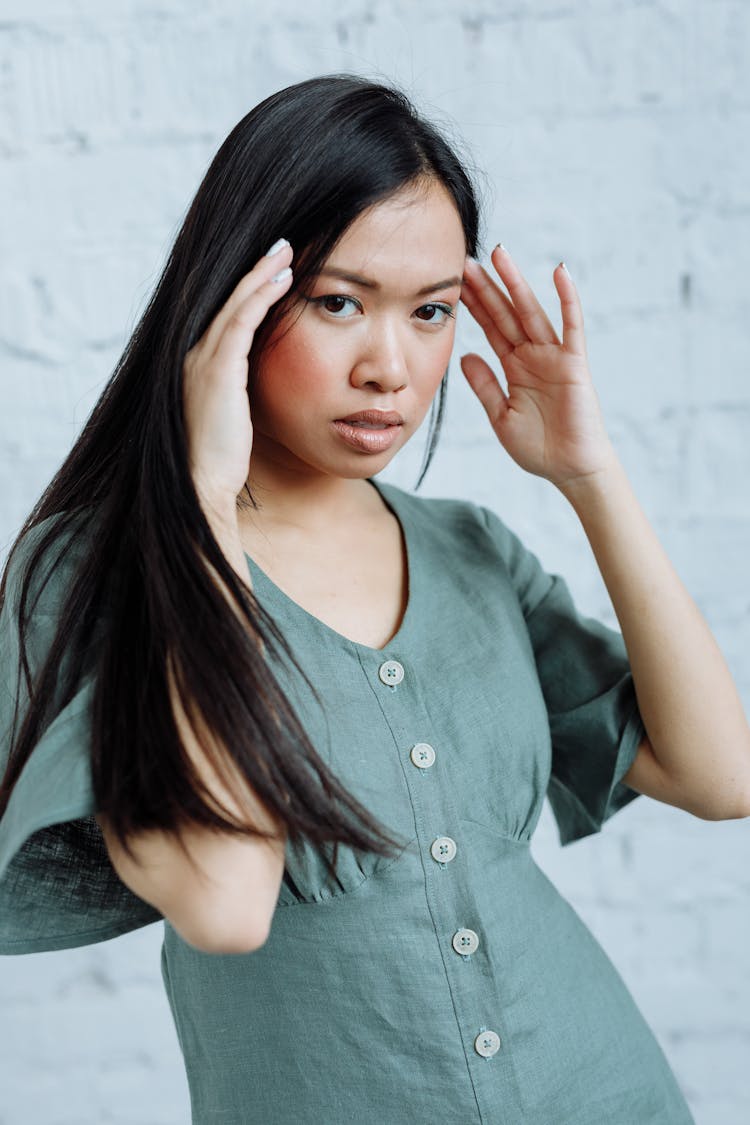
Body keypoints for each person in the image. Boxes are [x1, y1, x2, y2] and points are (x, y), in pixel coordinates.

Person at [0, 72, 747, 1125]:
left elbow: (722, 776)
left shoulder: (468, 550)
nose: (390, 367)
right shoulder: (90, 572)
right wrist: (205, 497)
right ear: (233, 300)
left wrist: (591, 476)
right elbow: (223, 900)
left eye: (432, 311)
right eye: (340, 303)